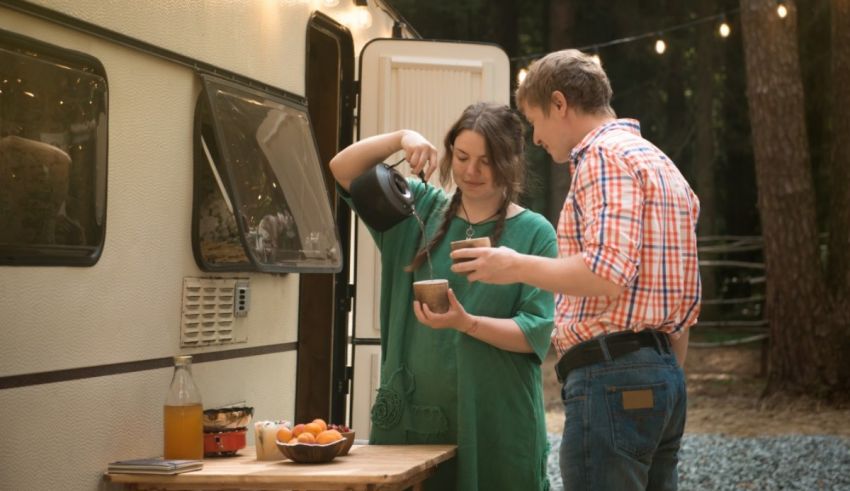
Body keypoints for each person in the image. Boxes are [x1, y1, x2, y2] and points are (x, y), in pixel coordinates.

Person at [451, 50, 701, 490]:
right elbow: (680, 297)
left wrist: (512, 265)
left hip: (612, 378)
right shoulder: (662, 164)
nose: (536, 137)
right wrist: (661, 376)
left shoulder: (602, 157)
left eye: (535, 121)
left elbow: (607, 272)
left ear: (560, 104)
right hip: (667, 378)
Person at [329, 102, 558, 490]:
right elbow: (342, 170)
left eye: (486, 161)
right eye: (463, 156)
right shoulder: (415, 209)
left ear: (512, 162)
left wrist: (464, 323)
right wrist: (402, 138)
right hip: (415, 419)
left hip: (495, 417)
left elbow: (533, 333)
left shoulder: (535, 232)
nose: (471, 171)